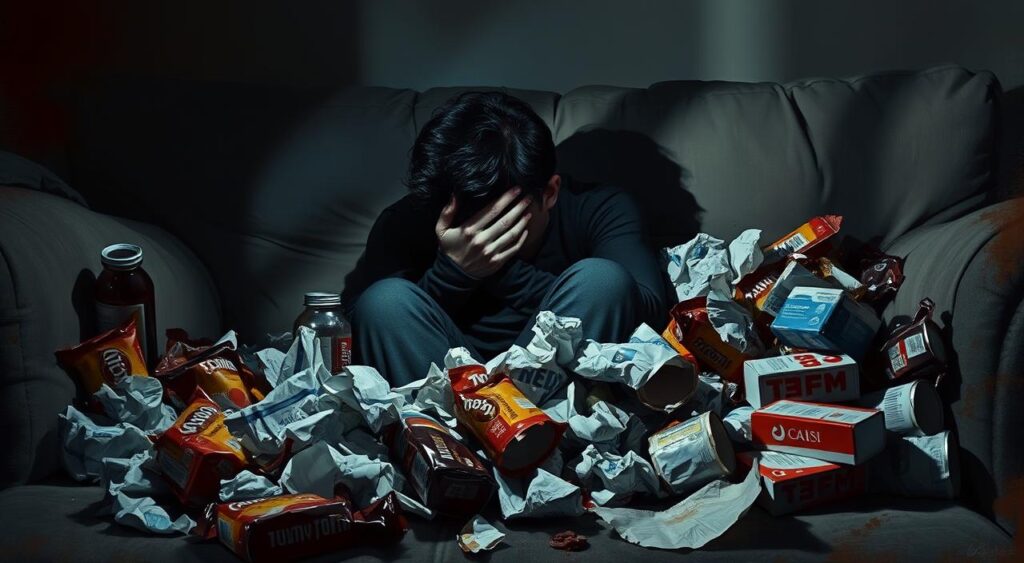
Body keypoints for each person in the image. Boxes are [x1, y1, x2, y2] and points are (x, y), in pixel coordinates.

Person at [340, 91, 671, 386]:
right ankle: (467, 444)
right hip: (447, 393)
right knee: (385, 301)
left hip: (554, 399)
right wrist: (451, 274)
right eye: (462, 217)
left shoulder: (596, 208)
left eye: (500, 215)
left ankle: (529, 439)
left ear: (550, 192)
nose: (476, 233)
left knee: (602, 280)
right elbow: (354, 335)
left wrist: (501, 270)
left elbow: (652, 311)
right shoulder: (411, 216)